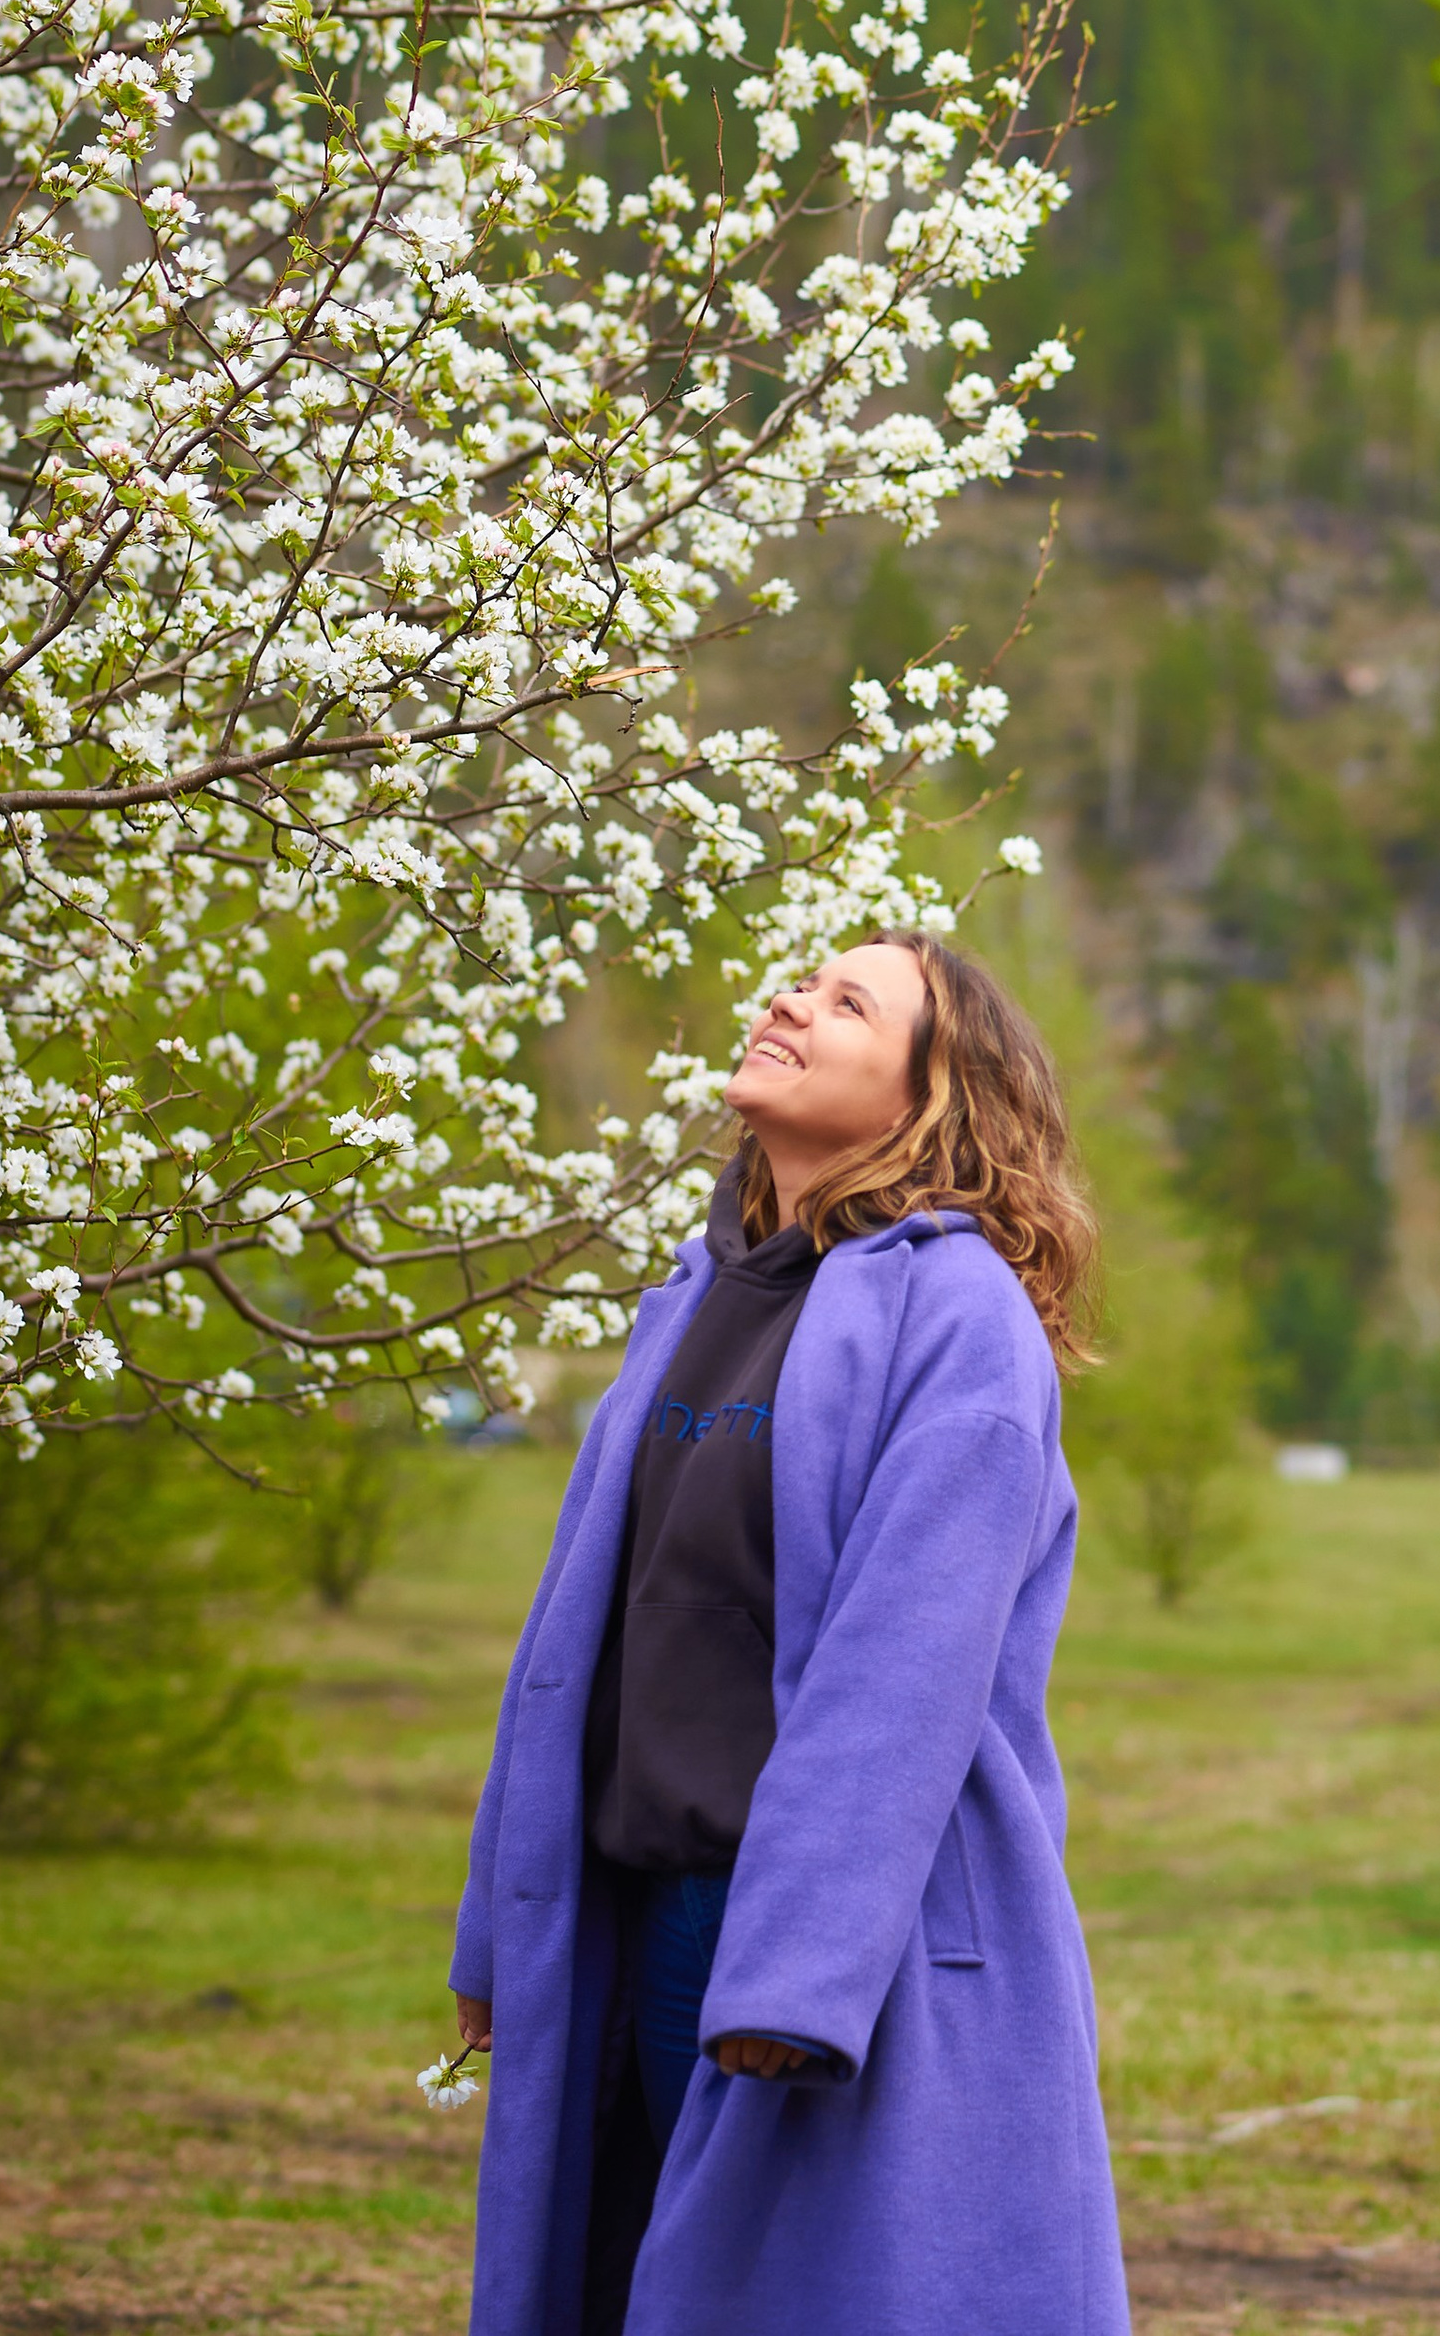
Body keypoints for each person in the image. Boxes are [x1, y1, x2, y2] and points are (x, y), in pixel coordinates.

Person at [447, 929, 1127, 2336]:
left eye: (848, 1002)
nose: (791, 1004)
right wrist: (506, 1928)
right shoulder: (697, 1297)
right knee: (620, 2272)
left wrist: (798, 1975)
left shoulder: (962, 1321)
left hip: (791, 1928)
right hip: (629, 1895)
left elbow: (905, 1671)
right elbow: (579, 1637)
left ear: (932, 1096)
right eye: (798, 983)